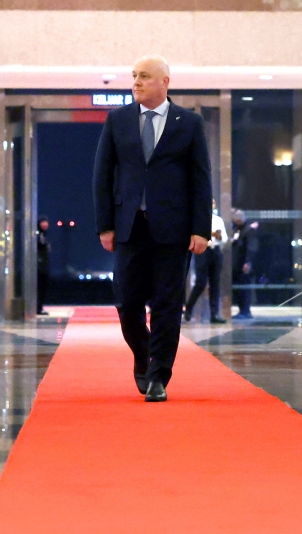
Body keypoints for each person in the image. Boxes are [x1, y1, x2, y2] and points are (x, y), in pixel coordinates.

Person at [92, 54, 212, 403]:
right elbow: (102, 175)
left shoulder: (188, 123)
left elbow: (200, 178)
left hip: (173, 231)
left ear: (165, 82)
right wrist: (105, 225)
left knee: (167, 305)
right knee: (127, 303)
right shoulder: (118, 121)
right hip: (129, 228)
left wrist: (200, 228)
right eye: (133, 76)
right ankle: (143, 355)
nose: (136, 82)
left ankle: (159, 375)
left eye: (144, 76)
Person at [183, 200, 228, 324]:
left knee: (215, 283)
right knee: (201, 282)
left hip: (215, 251)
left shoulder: (218, 220)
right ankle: (189, 308)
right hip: (203, 252)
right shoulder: (199, 219)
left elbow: (224, 238)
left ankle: (214, 314)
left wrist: (216, 236)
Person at [231, 210, 258, 319]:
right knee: (238, 289)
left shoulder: (248, 230)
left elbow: (251, 247)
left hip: (243, 265)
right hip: (237, 265)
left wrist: (248, 262)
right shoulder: (237, 229)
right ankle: (242, 310)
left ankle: (245, 311)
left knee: (244, 289)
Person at [37, 216, 50, 316]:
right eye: (43, 222)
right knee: (39, 287)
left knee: (43, 287)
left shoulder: (43, 235)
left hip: (43, 265)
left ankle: (39, 307)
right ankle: (37, 307)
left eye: (46, 222)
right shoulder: (37, 235)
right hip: (38, 266)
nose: (45, 224)